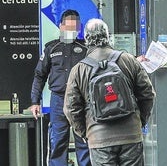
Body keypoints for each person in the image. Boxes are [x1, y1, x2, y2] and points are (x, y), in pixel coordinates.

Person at [63, 18, 155, 166]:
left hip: (99, 138)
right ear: (108, 36)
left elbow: (71, 108)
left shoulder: (78, 70)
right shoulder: (129, 60)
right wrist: (139, 120)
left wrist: (85, 132)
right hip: (130, 134)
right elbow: (147, 94)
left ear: (86, 39)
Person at [30, 9, 91, 166]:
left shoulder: (86, 49)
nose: (71, 31)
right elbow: (39, 75)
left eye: (74, 28)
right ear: (61, 26)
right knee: (57, 141)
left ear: (79, 28)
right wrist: (35, 101)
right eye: (68, 27)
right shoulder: (51, 48)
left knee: (84, 141)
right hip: (58, 100)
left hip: (81, 99)